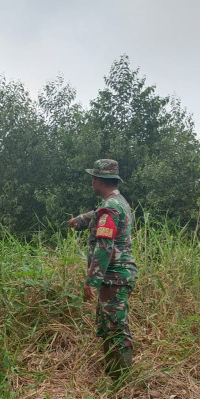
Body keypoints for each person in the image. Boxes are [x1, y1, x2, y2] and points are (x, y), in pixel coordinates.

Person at [68, 159, 138, 379]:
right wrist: (80, 220)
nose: (91, 182)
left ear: (98, 180)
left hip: (113, 278)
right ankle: (112, 372)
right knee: (108, 324)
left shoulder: (109, 208)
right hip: (115, 277)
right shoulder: (117, 202)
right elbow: (97, 214)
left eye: (93, 178)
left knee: (116, 327)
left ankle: (121, 381)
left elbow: (104, 247)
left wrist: (92, 280)